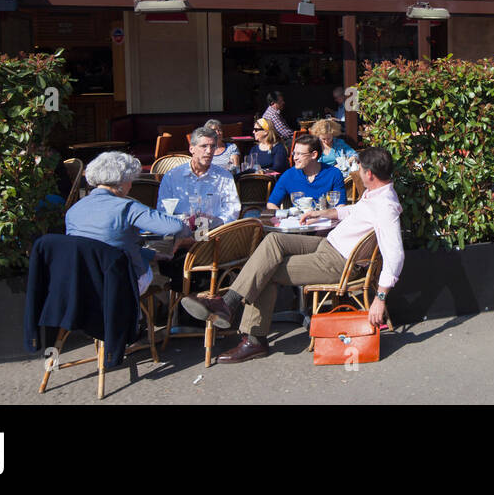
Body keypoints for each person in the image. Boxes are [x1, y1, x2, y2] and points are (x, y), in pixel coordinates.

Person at [182, 147, 404, 364]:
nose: (357, 172)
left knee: (266, 271)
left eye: (360, 168)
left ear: (369, 174)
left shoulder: (386, 207)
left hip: (339, 262)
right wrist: (323, 212)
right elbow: (354, 211)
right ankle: (228, 305)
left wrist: (380, 299)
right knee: (273, 240)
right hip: (328, 246)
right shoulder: (375, 194)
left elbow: (395, 255)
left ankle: (253, 337)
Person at [66, 152, 188, 293]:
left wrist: (149, 254)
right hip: (122, 280)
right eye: (131, 180)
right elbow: (175, 227)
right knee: (165, 275)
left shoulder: (74, 209)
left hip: (84, 280)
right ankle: (167, 306)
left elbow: (102, 245)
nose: (131, 186)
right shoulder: (128, 207)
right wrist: (187, 231)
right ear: (122, 181)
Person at [157, 127, 241, 229]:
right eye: (204, 146)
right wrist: (186, 221)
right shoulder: (172, 177)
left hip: (214, 234)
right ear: (191, 148)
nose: (209, 151)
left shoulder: (224, 177)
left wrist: (215, 222)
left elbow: (233, 209)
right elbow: (163, 211)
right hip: (180, 233)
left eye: (213, 146)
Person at [266, 134, 347, 210]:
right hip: (298, 222)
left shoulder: (333, 174)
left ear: (313, 155)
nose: (295, 158)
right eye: (294, 153)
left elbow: (341, 206)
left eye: (299, 154)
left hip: (327, 221)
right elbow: (271, 204)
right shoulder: (288, 175)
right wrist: (283, 218)